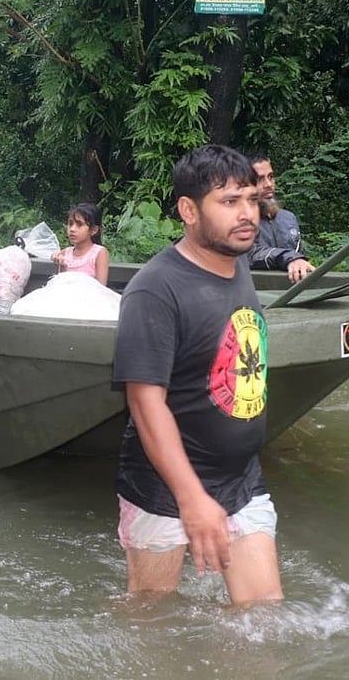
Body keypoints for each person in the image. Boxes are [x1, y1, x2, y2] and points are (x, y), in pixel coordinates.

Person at [113, 144, 283, 605]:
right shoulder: (155, 289)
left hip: (242, 478)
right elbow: (145, 403)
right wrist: (190, 498)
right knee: (152, 619)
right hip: (166, 488)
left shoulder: (238, 265)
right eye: (229, 202)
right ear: (189, 210)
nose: (247, 213)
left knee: (263, 622)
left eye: (250, 199)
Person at [247, 153, 314, 284]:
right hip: (257, 295)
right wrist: (289, 258)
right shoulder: (239, 220)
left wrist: (299, 262)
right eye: (260, 179)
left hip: (293, 294)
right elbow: (249, 254)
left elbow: (301, 258)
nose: (268, 184)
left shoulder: (288, 218)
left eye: (271, 177)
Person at [50, 202, 109, 285]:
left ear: (94, 230)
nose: (72, 229)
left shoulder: (99, 252)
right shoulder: (65, 252)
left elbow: (101, 286)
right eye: (70, 224)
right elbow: (61, 282)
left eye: (79, 225)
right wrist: (61, 263)